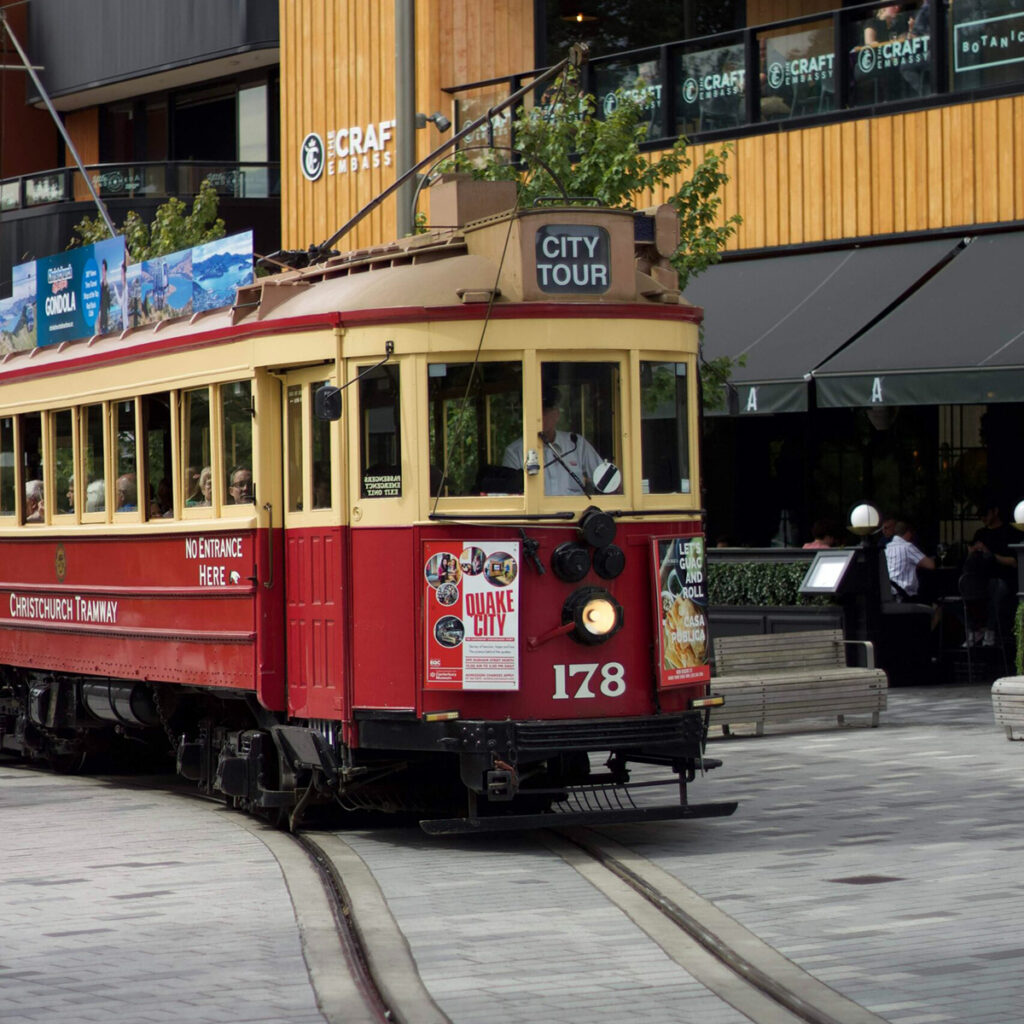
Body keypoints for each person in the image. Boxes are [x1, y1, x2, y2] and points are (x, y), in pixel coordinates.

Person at [502, 386, 604, 496]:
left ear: (556, 414)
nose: (539, 417)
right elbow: (510, 496)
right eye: (535, 411)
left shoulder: (576, 443)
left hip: (576, 512)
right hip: (535, 513)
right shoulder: (514, 452)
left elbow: (605, 481)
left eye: (544, 411)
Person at [962, 502, 1018, 646]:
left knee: (996, 589)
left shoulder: (1008, 532)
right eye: (980, 516)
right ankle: (974, 629)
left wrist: (990, 554)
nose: (982, 518)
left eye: (985, 514)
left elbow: (1014, 561)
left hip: (1002, 578)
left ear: (995, 511)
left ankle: (990, 629)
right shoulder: (980, 533)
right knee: (965, 590)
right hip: (980, 578)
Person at [885, 521, 936, 600]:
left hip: (889, 591)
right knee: (930, 595)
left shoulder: (887, 547)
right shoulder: (907, 547)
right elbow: (931, 565)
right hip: (904, 593)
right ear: (908, 533)